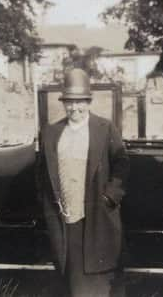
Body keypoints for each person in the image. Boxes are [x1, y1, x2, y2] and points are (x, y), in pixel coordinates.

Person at [37, 68, 129, 297]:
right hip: (65, 223)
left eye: (80, 102)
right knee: (69, 282)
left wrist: (110, 196)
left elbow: (122, 163)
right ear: (63, 103)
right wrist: (49, 209)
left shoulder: (104, 128)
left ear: (89, 101)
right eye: (69, 102)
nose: (75, 108)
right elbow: (41, 176)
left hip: (97, 220)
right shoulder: (51, 132)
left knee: (96, 283)